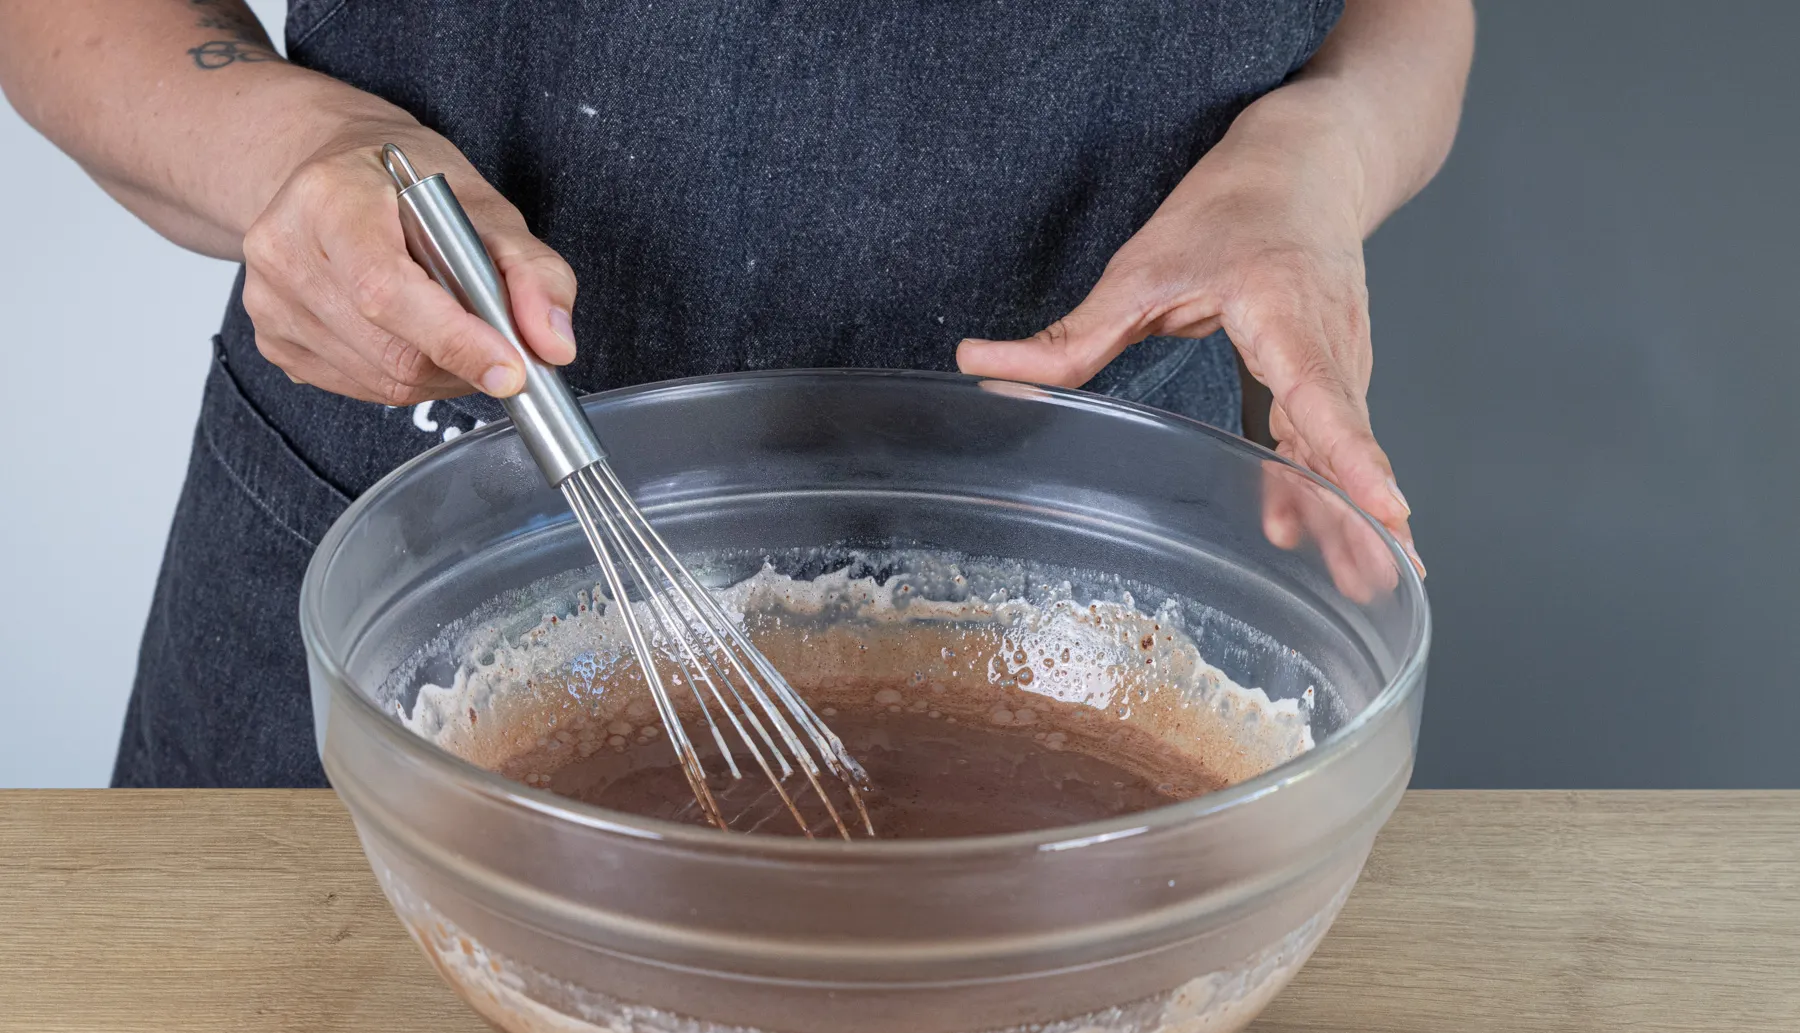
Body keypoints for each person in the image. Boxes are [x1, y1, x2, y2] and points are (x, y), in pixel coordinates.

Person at [0, 0, 1473, 788]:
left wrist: (1314, 165)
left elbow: (1409, 19)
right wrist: (294, 154)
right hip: (423, 543)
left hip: (1105, 571)